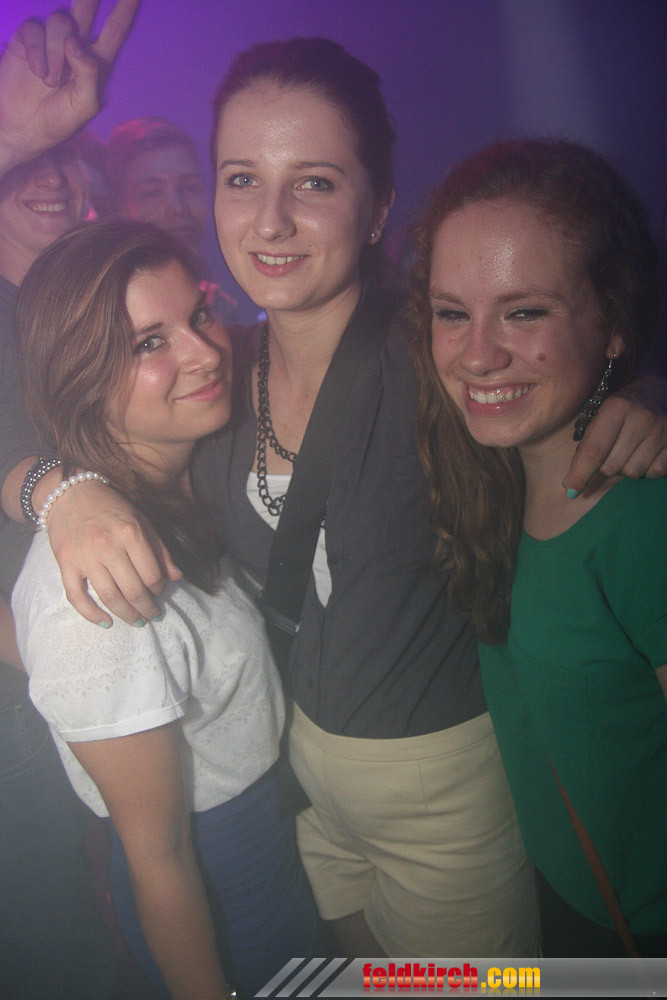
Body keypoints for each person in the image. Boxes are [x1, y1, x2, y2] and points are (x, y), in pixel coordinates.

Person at [2, 10, 667, 957]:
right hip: (305, 791)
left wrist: (636, 393)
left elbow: (557, 361)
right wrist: (55, 490)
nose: (270, 221)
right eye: (241, 179)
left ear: (379, 205)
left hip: (442, 793)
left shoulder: (442, 358)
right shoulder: (211, 375)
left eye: (313, 182)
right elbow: (48, 377)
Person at [12, 219, 327, 1000]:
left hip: (279, 854)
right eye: (148, 342)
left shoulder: (186, 477)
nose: (204, 351)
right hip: (222, 901)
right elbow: (159, 861)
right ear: (78, 378)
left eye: (199, 314)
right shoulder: (95, 592)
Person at [410, 138, 667, 957]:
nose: (477, 354)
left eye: (524, 312)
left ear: (613, 324)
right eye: (452, 313)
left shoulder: (643, 518)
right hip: (558, 903)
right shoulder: (487, 481)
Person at [0, 136, 118, 998]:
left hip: (90, 668)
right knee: (62, 947)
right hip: (20, 692)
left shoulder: (85, 306)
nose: (47, 175)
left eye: (64, 153)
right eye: (23, 159)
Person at [106, 116, 238, 323]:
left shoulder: (228, 296)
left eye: (190, 187)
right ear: (119, 207)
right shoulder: (107, 311)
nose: (177, 207)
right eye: (153, 193)